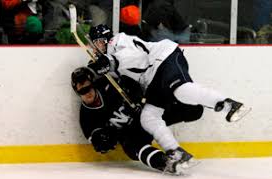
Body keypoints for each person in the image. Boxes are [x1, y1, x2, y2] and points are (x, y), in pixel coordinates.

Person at [86, 24, 251, 167]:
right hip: (152, 80)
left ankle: (229, 105)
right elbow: (122, 74)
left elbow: (137, 58)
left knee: (181, 90)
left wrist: (110, 62)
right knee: (149, 117)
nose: (95, 48)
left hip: (164, 58)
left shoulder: (118, 42)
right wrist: (99, 68)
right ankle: (176, 153)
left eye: (97, 44)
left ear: (105, 40)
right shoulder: (112, 56)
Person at [71, 66, 199, 175]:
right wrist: (103, 140)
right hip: (132, 135)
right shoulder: (86, 117)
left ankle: (188, 105)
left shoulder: (109, 84)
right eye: (81, 91)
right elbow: (97, 141)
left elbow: (133, 83)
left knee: (194, 110)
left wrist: (137, 94)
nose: (86, 94)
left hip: (146, 116)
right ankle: (165, 162)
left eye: (88, 88)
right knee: (131, 149)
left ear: (93, 85)